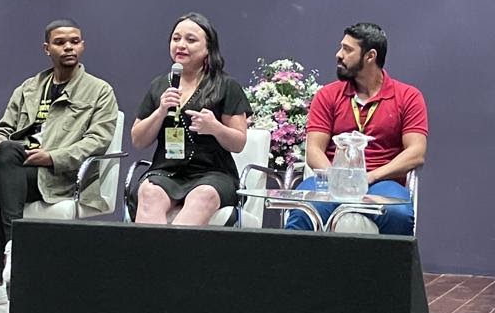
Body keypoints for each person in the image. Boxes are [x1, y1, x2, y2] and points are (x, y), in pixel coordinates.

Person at [0, 19, 118, 308]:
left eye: (74, 41)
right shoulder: (29, 88)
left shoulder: (99, 91)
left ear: (83, 46)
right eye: (60, 42)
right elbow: (4, 128)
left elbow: (97, 141)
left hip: (62, 176)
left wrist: (52, 157)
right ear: (47, 48)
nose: (68, 47)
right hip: (21, 169)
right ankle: (6, 258)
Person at [285, 22, 426, 234]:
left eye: (347, 49)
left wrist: (370, 177)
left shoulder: (408, 97)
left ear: (370, 56)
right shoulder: (327, 95)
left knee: (398, 214)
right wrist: (337, 179)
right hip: (331, 180)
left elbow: (416, 153)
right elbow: (314, 151)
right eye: (341, 47)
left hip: (381, 182)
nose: (339, 54)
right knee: (303, 210)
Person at [130, 12, 251, 225]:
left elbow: (238, 143)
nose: (181, 45)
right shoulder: (160, 85)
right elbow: (138, 140)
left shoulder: (226, 85)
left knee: (202, 195)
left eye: (191, 40)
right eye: (176, 39)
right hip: (166, 171)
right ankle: (151, 247)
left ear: (208, 48)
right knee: (149, 192)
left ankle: (175, 247)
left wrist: (215, 127)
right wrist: (160, 112)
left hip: (213, 173)